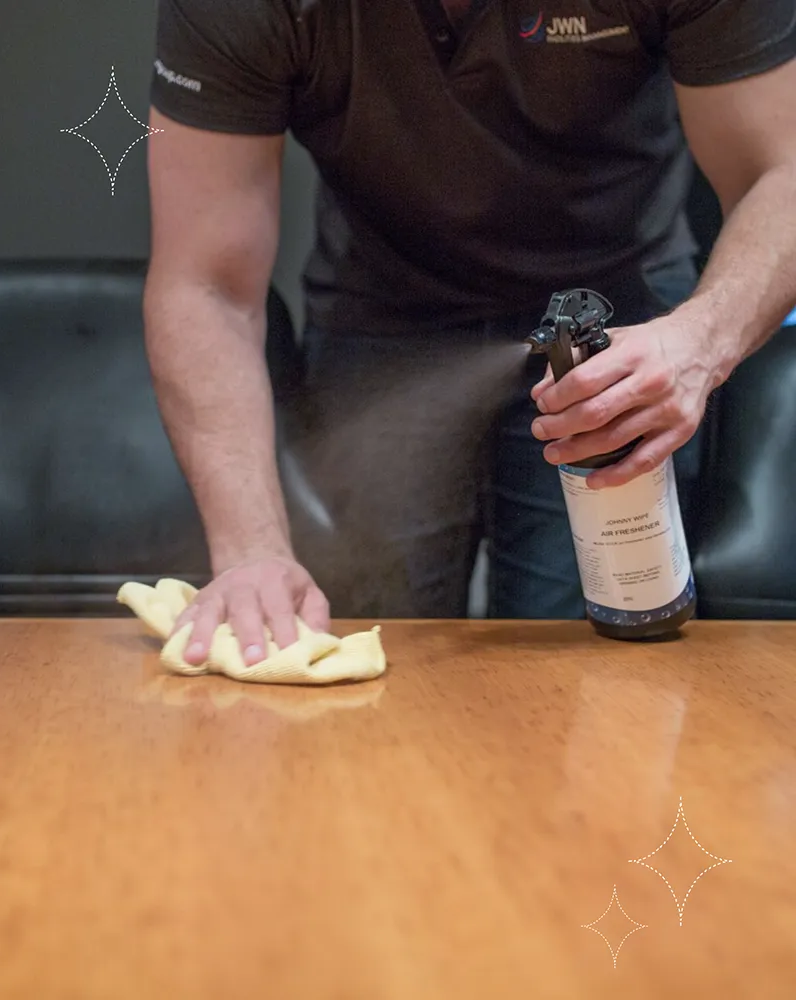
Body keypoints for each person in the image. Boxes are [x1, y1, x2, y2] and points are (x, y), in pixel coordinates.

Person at [143, 0, 796, 664]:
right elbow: (204, 286)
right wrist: (250, 551)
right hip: (384, 313)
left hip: (616, 321)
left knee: (600, 668)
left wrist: (696, 344)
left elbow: (783, 171)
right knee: (369, 656)